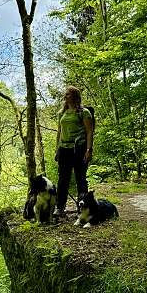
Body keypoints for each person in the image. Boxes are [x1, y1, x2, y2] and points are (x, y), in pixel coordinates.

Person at [54, 86, 94, 216]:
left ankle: (83, 208)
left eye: (68, 94)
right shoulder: (62, 113)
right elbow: (59, 132)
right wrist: (57, 150)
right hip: (64, 149)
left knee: (80, 178)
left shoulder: (84, 112)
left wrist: (89, 150)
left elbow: (89, 132)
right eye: (65, 94)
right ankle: (60, 207)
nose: (66, 96)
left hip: (79, 149)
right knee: (62, 179)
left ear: (75, 96)